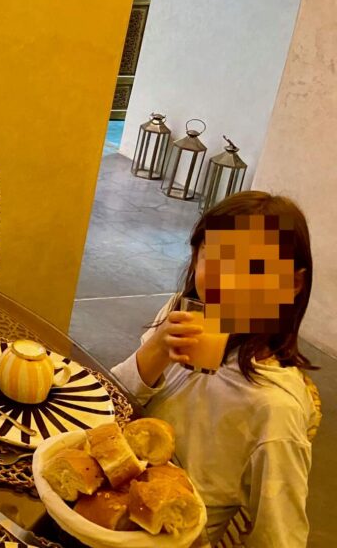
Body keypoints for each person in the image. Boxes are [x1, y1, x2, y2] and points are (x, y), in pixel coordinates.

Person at [112, 192, 319, 547]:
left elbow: (280, 538)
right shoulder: (180, 315)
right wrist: (157, 349)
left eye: (254, 268)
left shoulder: (274, 410)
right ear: (196, 256)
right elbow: (112, 403)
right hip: (115, 496)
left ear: (293, 285)